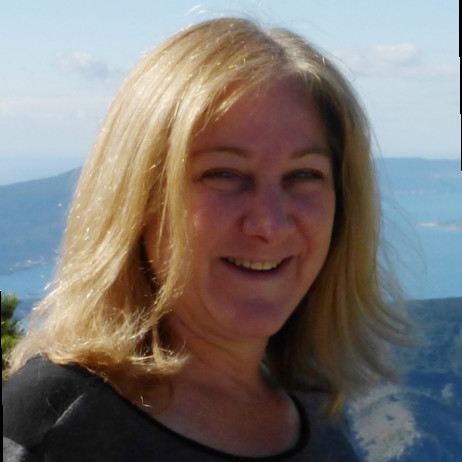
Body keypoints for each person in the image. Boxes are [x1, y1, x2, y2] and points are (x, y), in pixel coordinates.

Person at [3, 17, 409, 461]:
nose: (269, 224)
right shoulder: (54, 429)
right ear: (139, 200)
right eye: (224, 174)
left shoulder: (315, 409)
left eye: (304, 175)